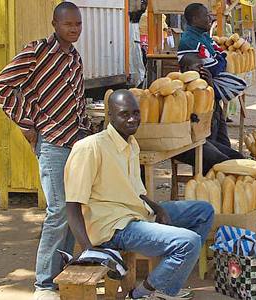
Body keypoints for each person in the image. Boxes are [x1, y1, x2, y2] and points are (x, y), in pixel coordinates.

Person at [65, 90, 213, 300]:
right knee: (189, 242)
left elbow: (137, 191)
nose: (132, 119)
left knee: (204, 211)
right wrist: (90, 250)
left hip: (136, 214)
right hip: (113, 229)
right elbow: (72, 205)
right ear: (110, 115)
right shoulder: (90, 148)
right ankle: (141, 294)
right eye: (125, 114)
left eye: (136, 113)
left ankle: (166, 287)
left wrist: (158, 207)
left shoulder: (131, 143)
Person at [0, 3, 88, 299]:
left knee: (74, 208)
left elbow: (76, 100)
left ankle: (62, 273)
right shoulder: (37, 51)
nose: (74, 29)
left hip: (74, 141)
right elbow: (1, 85)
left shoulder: (74, 58)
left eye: (78, 24)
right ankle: (44, 285)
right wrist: (25, 122)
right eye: (68, 24)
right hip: (52, 143)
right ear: (55, 24)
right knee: (58, 211)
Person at [178, 3, 247, 148]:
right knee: (212, 142)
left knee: (223, 141)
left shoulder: (203, 36)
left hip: (211, 97)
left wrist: (221, 59)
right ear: (195, 19)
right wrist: (221, 59)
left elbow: (220, 56)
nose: (210, 18)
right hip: (201, 100)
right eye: (206, 15)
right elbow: (215, 67)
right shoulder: (190, 41)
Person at [174, 54, 244, 174]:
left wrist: (210, 85)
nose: (203, 71)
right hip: (186, 143)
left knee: (237, 158)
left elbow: (221, 130)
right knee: (221, 162)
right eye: (198, 67)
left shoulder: (205, 89)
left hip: (204, 139)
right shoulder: (178, 91)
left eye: (203, 67)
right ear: (186, 70)